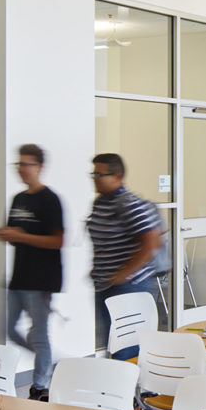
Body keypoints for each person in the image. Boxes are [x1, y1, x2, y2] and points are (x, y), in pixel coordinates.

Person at [0, 144, 63, 401]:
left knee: (40, 333)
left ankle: (40, 385)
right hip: (19, 276)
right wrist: (8, 235)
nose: (21, 169)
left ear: (39, 167)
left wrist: (23, 236)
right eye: (19, 164)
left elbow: (57, 241)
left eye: (26, 164)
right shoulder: (19, 199)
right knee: (10, 330)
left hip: (41, 279)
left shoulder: (49, 200)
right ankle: (46, 360)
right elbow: (14, 235)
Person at [87, 152, 164, 357]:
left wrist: (124, 273)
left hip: (129, 286)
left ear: (117, 176)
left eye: (99, 175)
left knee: (126, 347)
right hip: (105, 284)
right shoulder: (101, 203)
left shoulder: (128, 203)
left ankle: (137, 387)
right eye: (93, 174)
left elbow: (152, 240)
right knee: (111, 342)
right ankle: (119, 386)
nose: (94, 179)